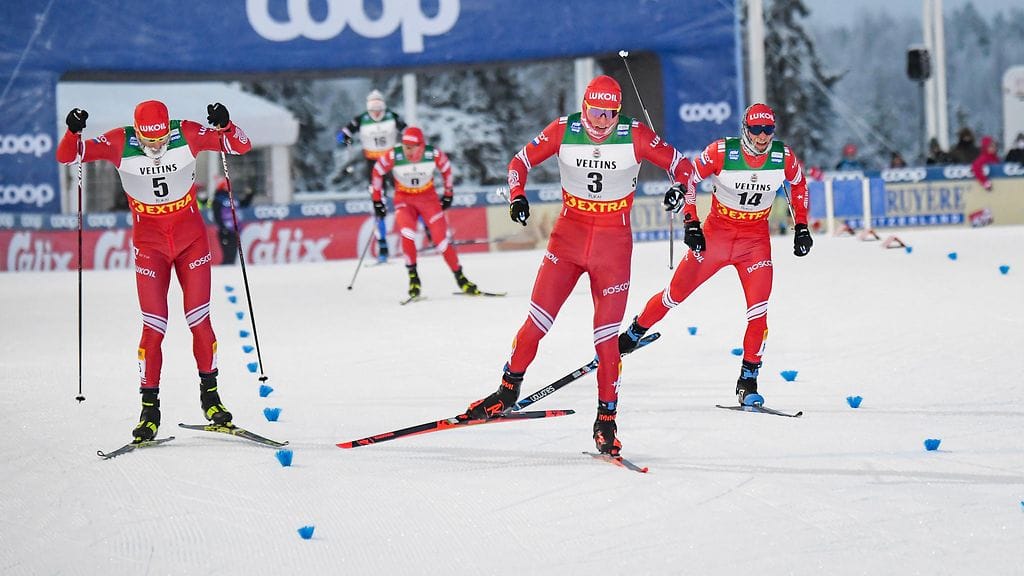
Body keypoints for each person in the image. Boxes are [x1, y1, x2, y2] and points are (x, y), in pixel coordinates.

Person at [462, 75, 694, 457]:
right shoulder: (563, 130)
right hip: (568, 239)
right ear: (584, 106)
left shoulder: (635, 135)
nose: (602, 121)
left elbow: (683, 167)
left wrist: (679, 190)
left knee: (606, 341)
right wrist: (517, 196)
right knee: (536, 323)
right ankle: (507, 390)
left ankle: (606, 421)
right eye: (595, 111)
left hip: (612, 246)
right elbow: (519, 161)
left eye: (610, 113)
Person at [56, 100, 252, 442]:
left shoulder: (186, 132)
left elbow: (240, 145)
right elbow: (68, 156)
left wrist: (226, 125)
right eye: (150, 141)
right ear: (138, 132)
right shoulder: (119, 141)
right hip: (150, 247)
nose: (157, 146)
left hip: (192, 242)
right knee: (154, 327)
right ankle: (149, 411)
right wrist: (72, 132)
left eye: (161, 139)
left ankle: (211, 400)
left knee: (199, 320)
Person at [618, 102, 812, 408]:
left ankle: (748, 381)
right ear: (745, 129)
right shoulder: (722, 151)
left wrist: (801, 226)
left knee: (758, 313)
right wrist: (691, 222)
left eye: (768, 130)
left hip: (754, 243)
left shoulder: (782, 156)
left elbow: (799, 185)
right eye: (756, 130)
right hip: (716, 237)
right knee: (674, 295)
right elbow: (689, 179)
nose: (762, 137)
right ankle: (635, 331)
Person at [370, 126, 479, 298]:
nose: (406, 150)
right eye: (404, 146)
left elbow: (446, 169)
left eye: (410, 147)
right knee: (407, 234)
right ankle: (413, 278)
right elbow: (377, 171)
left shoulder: (432, 154)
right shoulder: (394, 155)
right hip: (404, 201)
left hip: (428, 201)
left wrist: (448, 193)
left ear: (420, 146)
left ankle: (460, 277)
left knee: (441, 241)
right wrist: (377, 200)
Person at [338, 90, 407, 263]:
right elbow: (342, 135)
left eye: (379, 110)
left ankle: (427, 233)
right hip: (374, 165)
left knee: (407, 196)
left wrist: (408, 142)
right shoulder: (361, 119)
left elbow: (408, 131)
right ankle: (382, 246)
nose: (377, 113)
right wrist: (347, 141)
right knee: (378, 203)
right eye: (373, 110)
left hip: (392, 162)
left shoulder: (392, 116)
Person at [210, 176, 255, 265]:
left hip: (234, 230)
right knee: (228, 255)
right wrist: (223, 228)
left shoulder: (233, 197)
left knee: (233, 255)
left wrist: (250, 194)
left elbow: (244, 204)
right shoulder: (218, 199)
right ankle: (225, 271)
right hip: (225, 230)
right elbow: (217, 215)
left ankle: (229, 270)